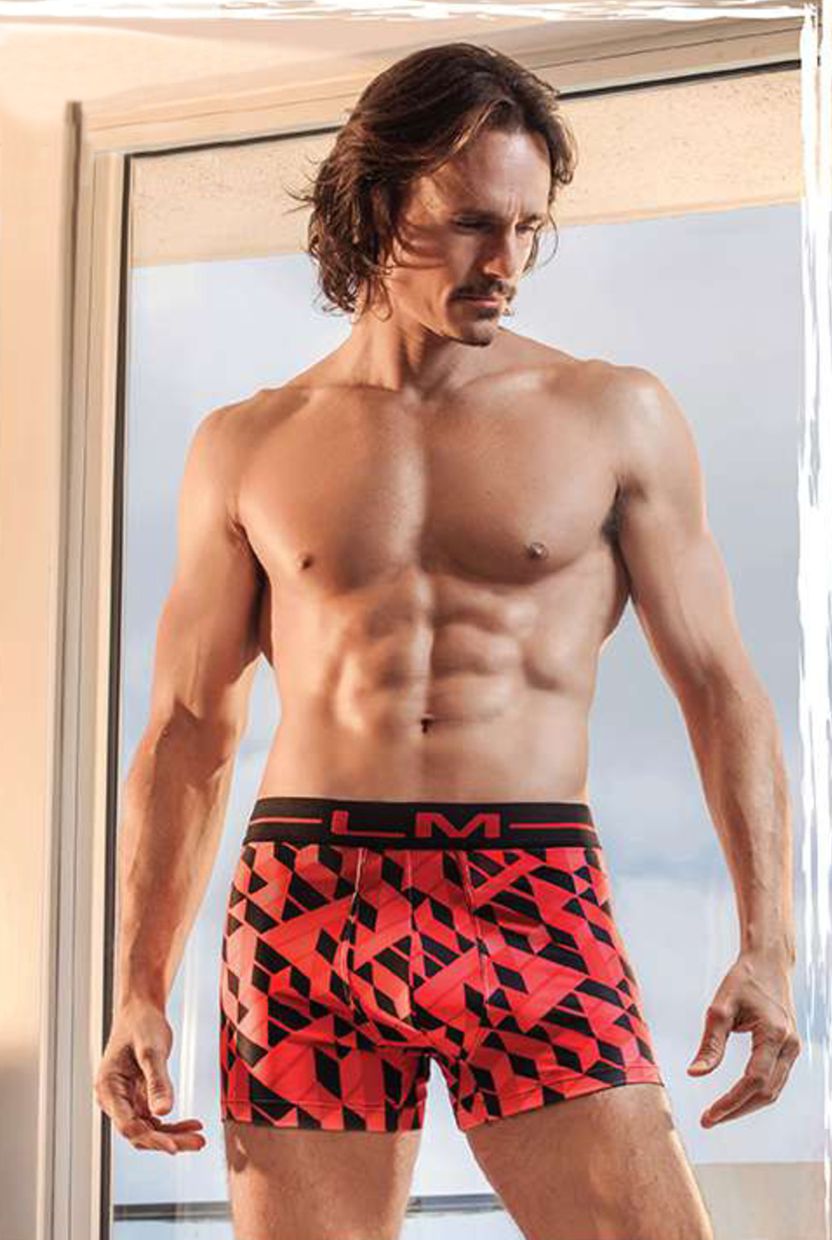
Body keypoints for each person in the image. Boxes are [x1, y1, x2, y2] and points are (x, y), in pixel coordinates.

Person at [93, 40, 801, 1240]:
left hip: (528, 888)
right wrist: (138, 987)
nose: (506, 263)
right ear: (379, 208)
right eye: (473, 223)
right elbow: (188, 726)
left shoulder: (613, 414)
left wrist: (768, 946)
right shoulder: (246, 442)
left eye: (527, 228)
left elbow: (721, 690)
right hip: (305, 901)